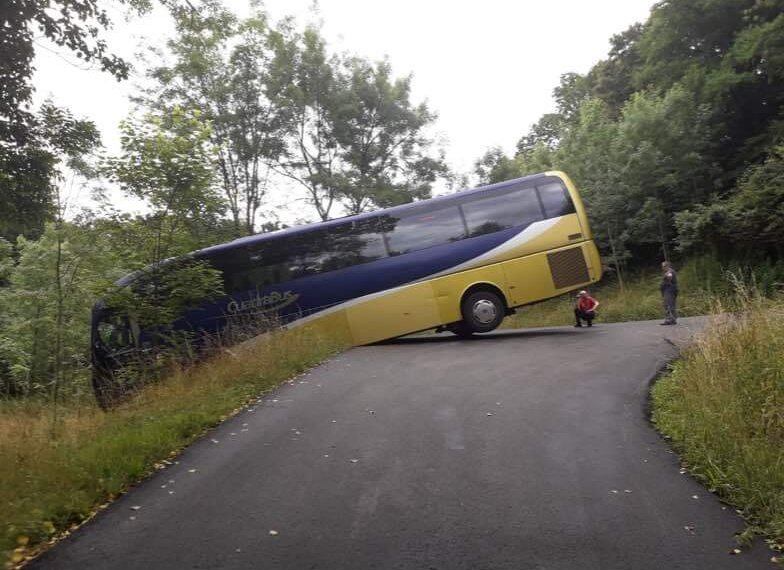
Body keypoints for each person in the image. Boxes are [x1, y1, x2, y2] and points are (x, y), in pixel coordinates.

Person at [660, 261, 678, 325]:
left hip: (670, 290)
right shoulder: (667, 272)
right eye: (662, 266)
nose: (663, 268)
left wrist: (667, 276)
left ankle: (671, 320)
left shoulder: (670, 271)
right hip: (667, 290)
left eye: (664, 266)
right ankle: (670, 319)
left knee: (669, 305)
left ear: (668, 266)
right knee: (666, 304)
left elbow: (670, 276)